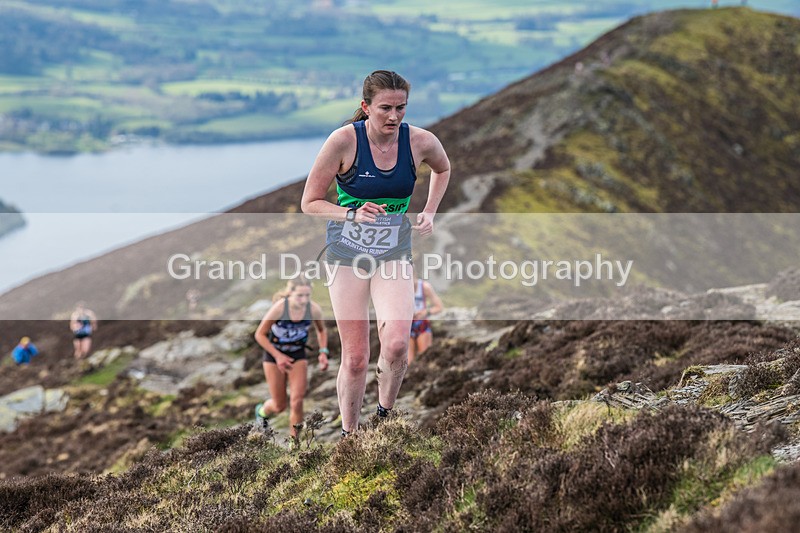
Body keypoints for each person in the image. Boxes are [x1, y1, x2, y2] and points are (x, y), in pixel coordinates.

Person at [301, 70, 451, 436]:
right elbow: (310, 202)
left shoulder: (419, 141)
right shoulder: (343, 142)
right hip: (346, 254)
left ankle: (384, 417)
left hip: (394, 252)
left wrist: (429, 210)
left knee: (398, 344)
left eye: (401, 107)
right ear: (366, 107)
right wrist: (351, 213)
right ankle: (350, 436)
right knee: (354, 359)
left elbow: (443, 168)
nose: (394, 116)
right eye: (385, 108)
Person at [253, 276, 329, 438]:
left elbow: (321, 330)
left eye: (307, 295)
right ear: (290, 293)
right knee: (279, 405)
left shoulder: (313, 309)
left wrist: (323, 352)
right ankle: (261, 412)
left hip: (297, 354)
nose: (304, 300)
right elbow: (260, 334)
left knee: (297, 401)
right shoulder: (280, 308)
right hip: (274, 355)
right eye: (300, 295)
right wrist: (278, 356)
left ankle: (294, 443)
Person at [408, 276, 443, 365]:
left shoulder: (424, 287)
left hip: (422, 324)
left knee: (424, 358)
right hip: (407, 325)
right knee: (408, 361)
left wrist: (426, 312)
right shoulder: (400, 288)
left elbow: (439, 307)